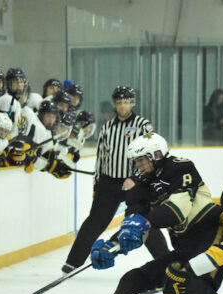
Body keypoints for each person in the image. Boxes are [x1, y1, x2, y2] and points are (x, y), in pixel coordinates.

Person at [78, 133, 223, 294]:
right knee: (133, 279)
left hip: (213, 234)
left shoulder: (180, 167)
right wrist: (112, 246)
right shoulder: (139, 186)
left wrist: (144, 222)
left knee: (188, 278)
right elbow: (134, 224)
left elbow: (178, 210)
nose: (138, 165)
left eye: (142, 159)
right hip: (186, 246)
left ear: (157, 155)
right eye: (136, 161)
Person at [61, 85, 169, 274]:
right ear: (115, 104)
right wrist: (97, 184)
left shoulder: (143, 125)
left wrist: (136, 178)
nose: (123, 106)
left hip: (135, 183)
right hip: (109, 182)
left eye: (126, 102)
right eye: (119, 102)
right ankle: (73, 262)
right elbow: (101, 157)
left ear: (132, 103)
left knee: (143, 221)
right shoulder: (108, 127)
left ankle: (165, 263)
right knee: (94, 222)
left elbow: (152, 154)